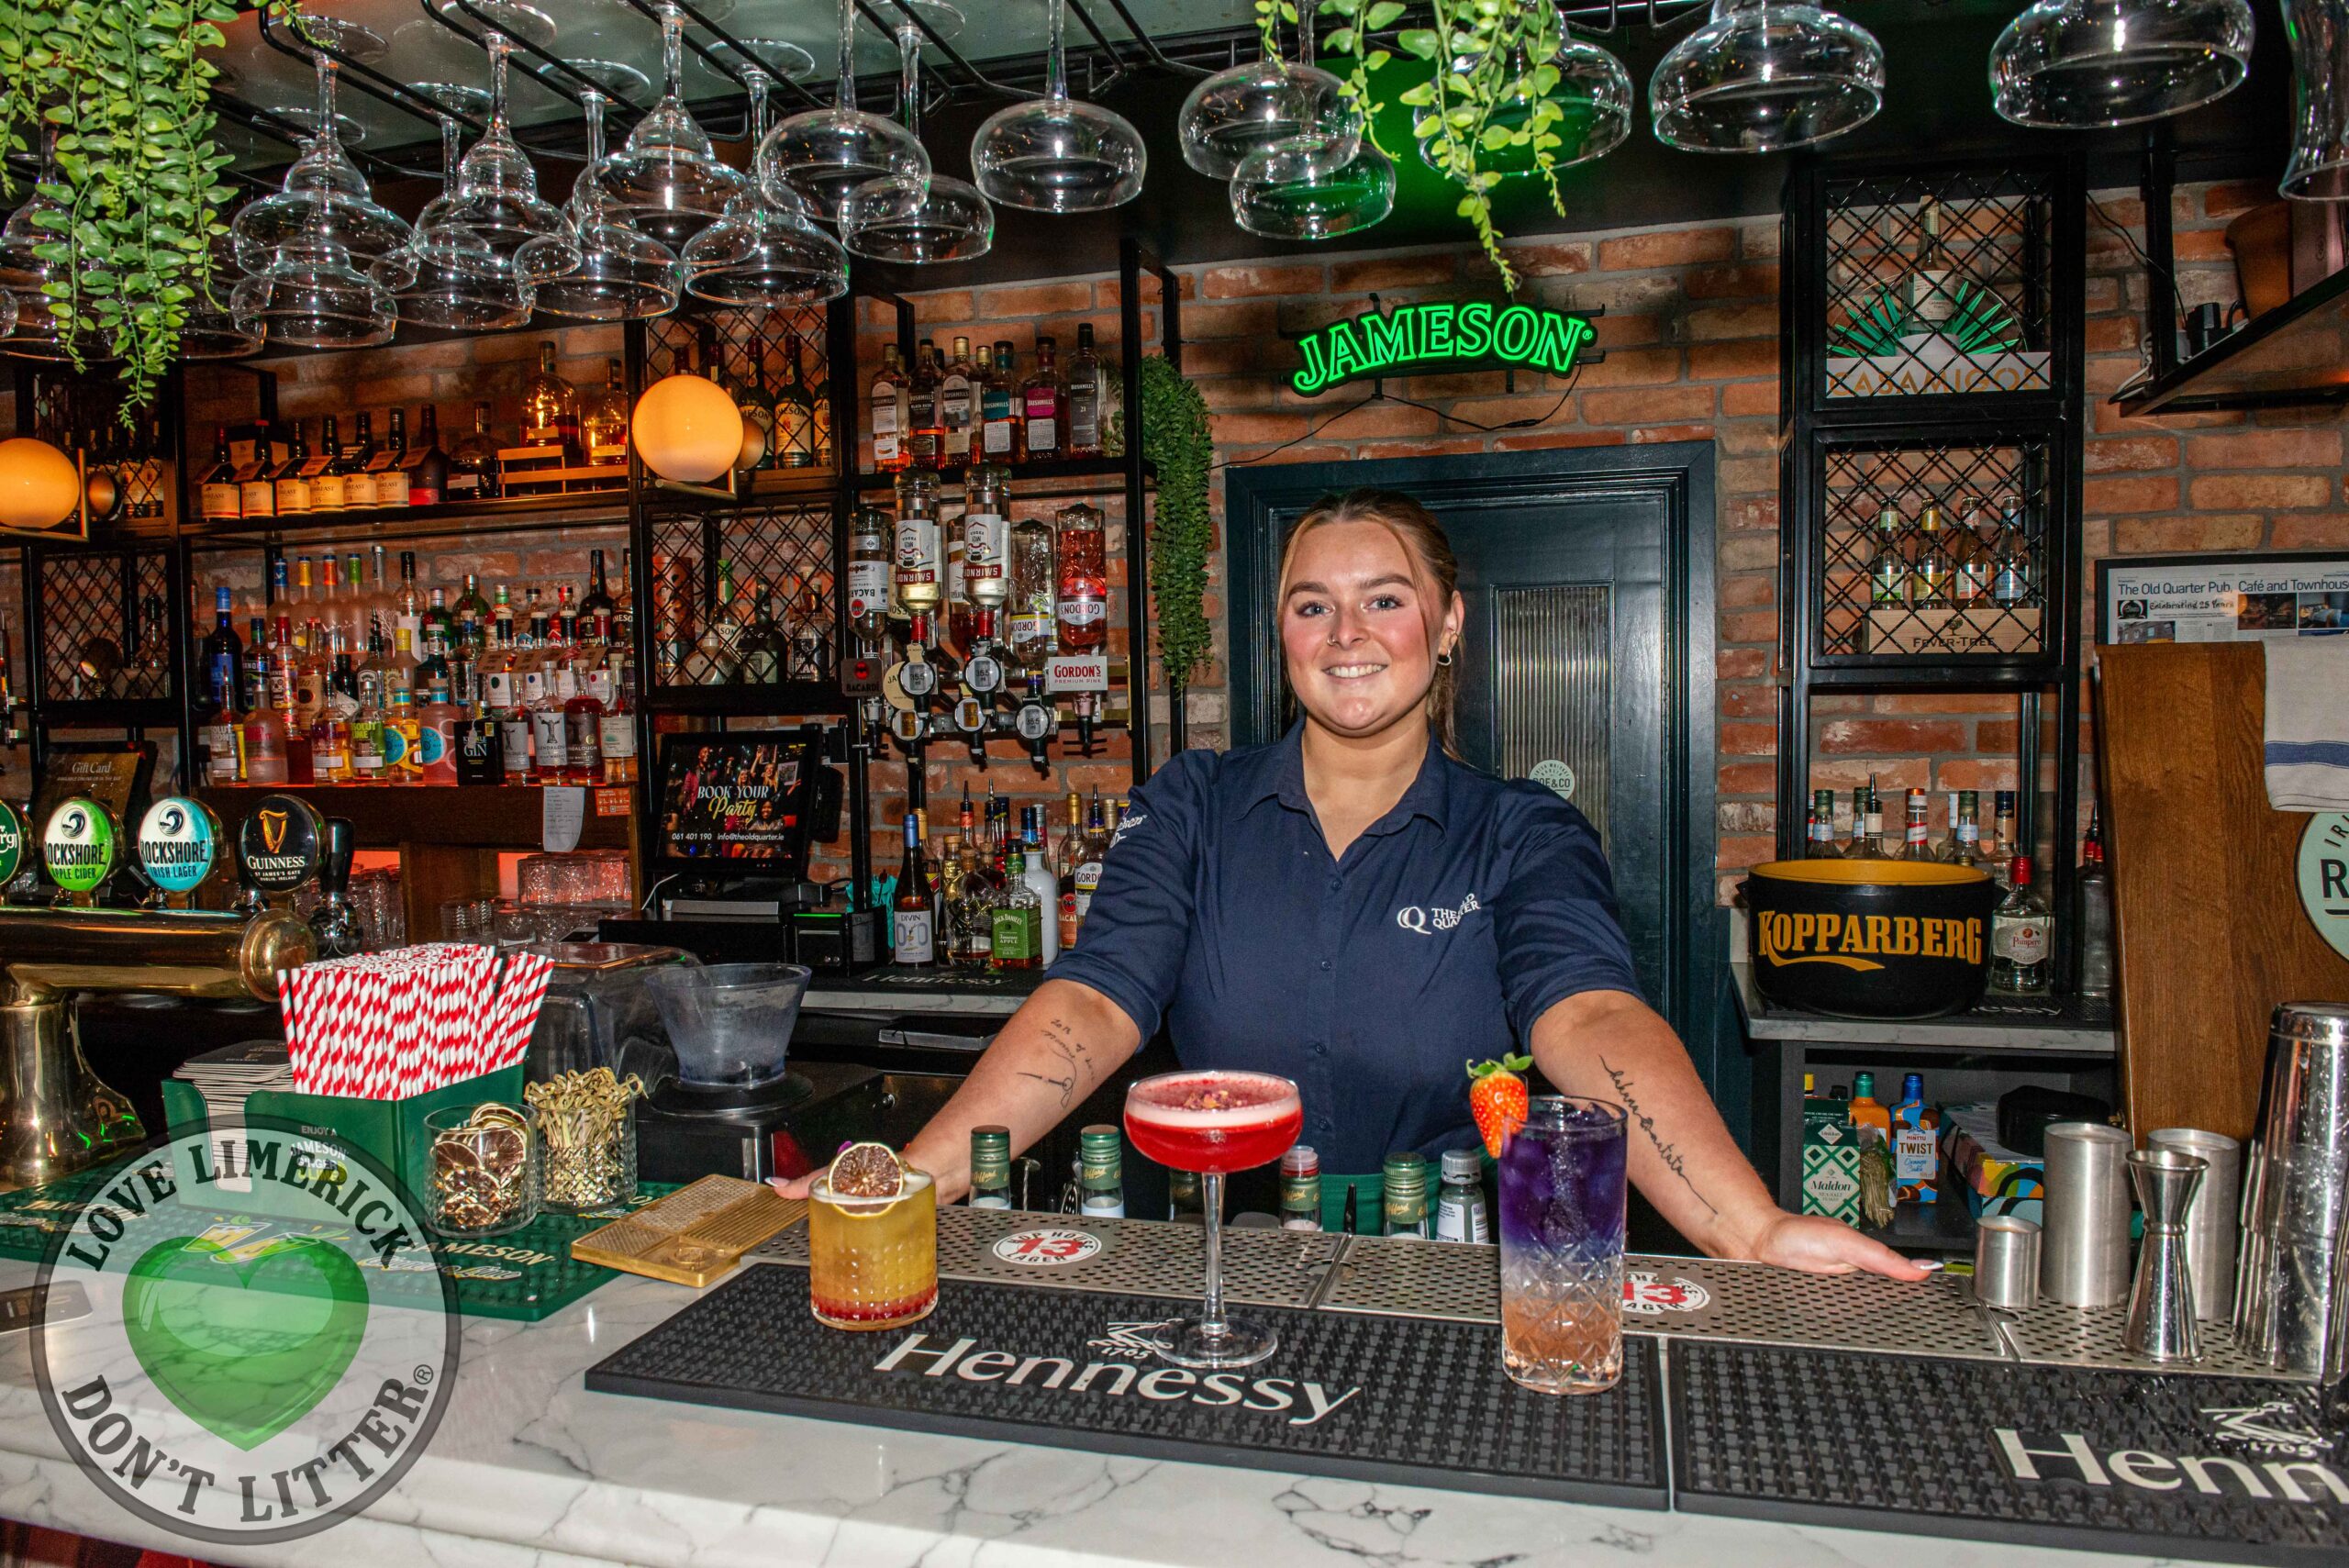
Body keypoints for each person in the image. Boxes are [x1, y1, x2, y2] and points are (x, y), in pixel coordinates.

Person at [780, 489, 1924, 1281]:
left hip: (1448, 1269)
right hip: (1217, 1254)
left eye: (1383, 597)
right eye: (1310, 603)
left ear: (1447, 620)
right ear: (1278, 630)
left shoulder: (1520, 830)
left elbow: (1592, 1017)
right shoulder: (1195, 804)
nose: (1345, 633)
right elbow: (1094, 1001)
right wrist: (909, 1170)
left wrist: (1751, 1227)